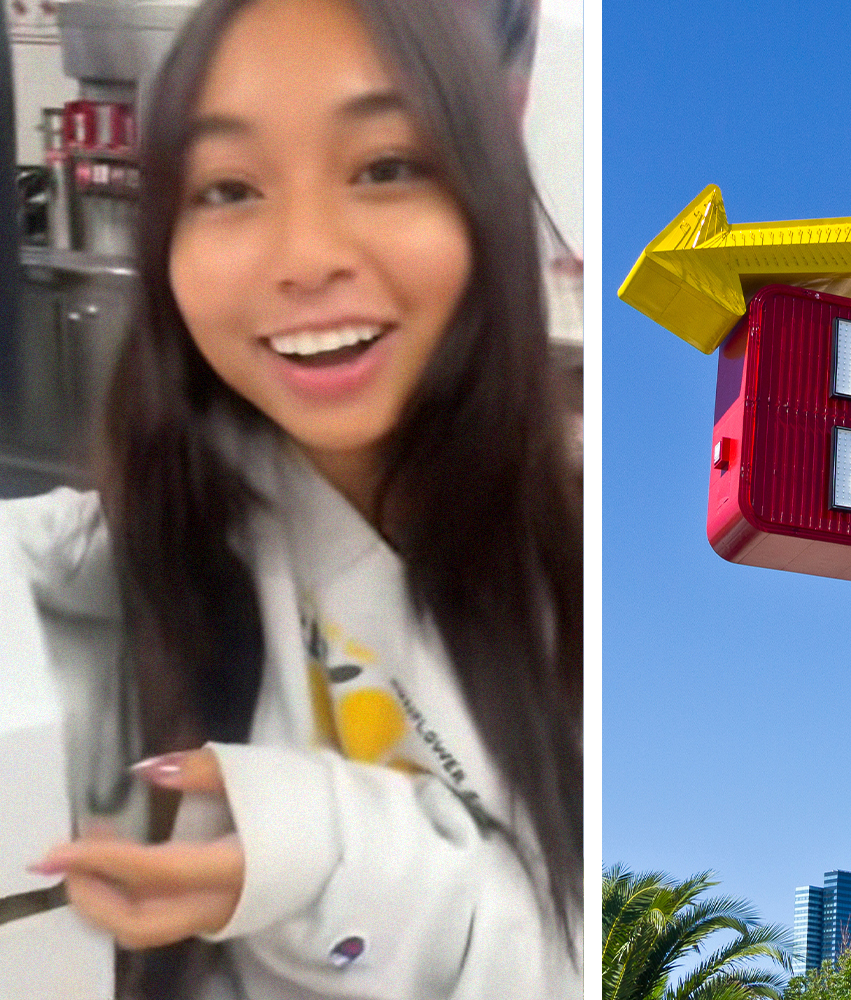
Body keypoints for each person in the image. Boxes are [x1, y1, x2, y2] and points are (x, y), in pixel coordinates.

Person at [3, 0, 582, 996]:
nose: (305, 255)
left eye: (383, 167)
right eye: (229, 187)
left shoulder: (589, 564)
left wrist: (308, 847)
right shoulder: (146, 535)